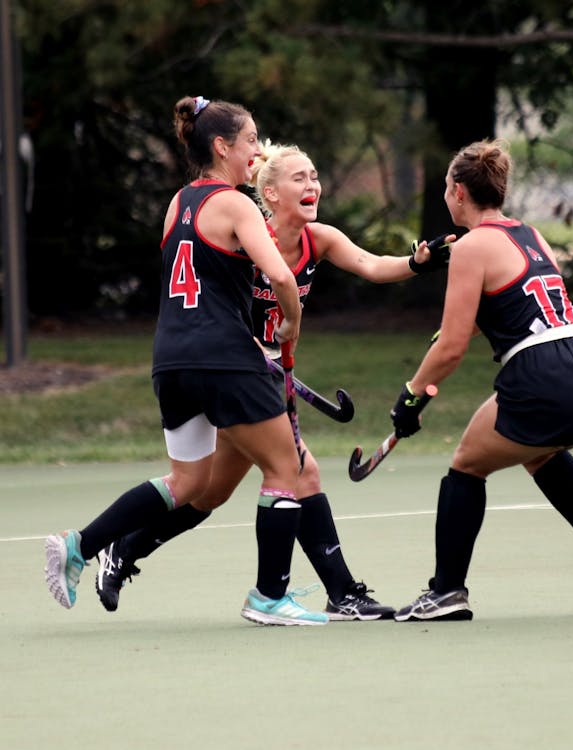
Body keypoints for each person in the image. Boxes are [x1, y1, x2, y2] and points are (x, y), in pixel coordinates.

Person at [93, 140, 452, 621]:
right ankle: (338, 593)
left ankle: (123, 552)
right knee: (298, 472)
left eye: (315, 176)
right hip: (233, 373)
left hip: (264, 379)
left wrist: (415, 264)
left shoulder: (318, 239)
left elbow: (369, 264)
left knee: (211, 493)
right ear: (271, 193)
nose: (313, 185)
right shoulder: (243, 232)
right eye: (300, 178)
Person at [44, 96, 328, 625]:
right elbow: (282, 277)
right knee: (285, 468)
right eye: (250, 142)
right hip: (224, 357)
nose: (257, 152)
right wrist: (290, 322)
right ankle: (270, 597)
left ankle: (80, 545)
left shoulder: (178, 202)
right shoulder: (238, 203)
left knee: (189, 484)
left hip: (170, 359)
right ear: (222, 147)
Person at [388, 138, 573, 622]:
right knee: (538, 451)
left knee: (465, 466)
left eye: (445, 187)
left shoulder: (473, 247)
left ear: (459, 191)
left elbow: (452, 347)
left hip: (548, 376)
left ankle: (446, 591)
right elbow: (519, 305)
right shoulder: (529, 234)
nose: (445, 195)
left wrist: (411, 396)